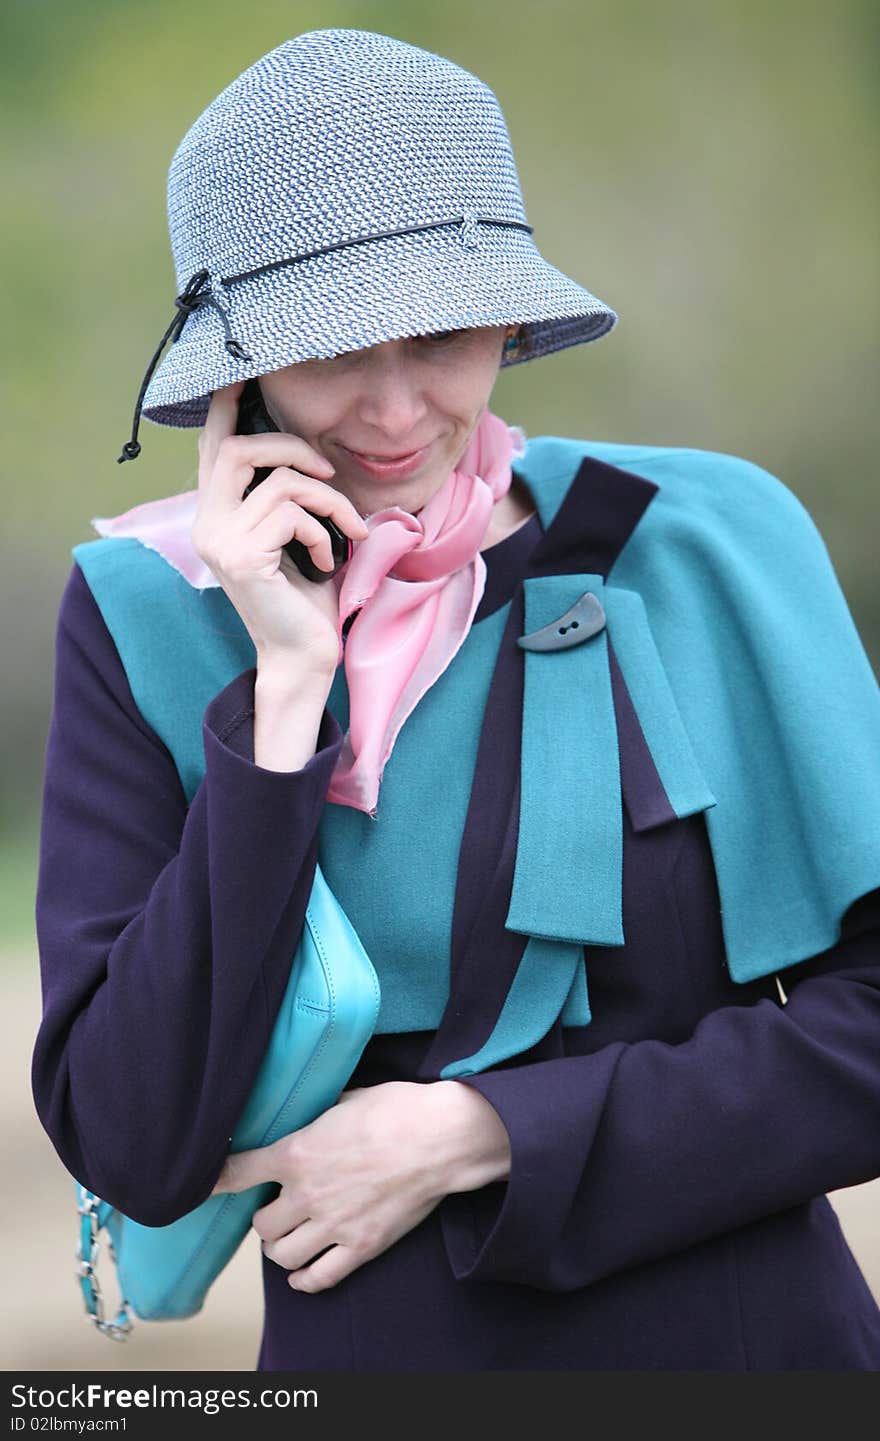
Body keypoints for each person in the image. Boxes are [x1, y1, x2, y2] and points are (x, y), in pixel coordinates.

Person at [32, 28, 880, 1372]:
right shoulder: (146, 616)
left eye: (440, 333)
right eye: (327, 349)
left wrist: (476, 1133)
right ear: (233, 370)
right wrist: (286, 695)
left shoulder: (709, 540)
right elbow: (134, 1135)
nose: (392, 407)